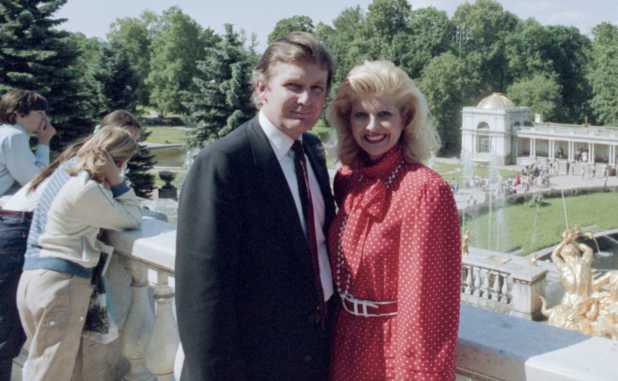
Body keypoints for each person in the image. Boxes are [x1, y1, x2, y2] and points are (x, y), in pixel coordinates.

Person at [176, 32, 336, 381]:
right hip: (253, 365)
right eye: (293, 86)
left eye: (317, 88)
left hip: (313, 357)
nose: (306, 99)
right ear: (262, 88)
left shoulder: (311, 150)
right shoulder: (223, 163)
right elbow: (202, 297)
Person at [325, 60, 461, 381]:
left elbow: (428, 306)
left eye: (384, 114)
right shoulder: (348, 178)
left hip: (388, 350)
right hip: (343, 340)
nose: (372, 127)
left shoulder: (425, 190)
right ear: (348, 121)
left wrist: (414, 373)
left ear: (406, 118)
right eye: (361, 115)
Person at [0, 111, 141, 380]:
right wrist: (116, 180)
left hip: (33, 279)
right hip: (61, 285)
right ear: (119, 162)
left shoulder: (65, 173)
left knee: (38, 368)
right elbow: (132, 217)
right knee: (50, 374)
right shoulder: (86, 188)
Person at [0, 90, 56, 198]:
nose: (45, 118)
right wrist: (44, 142)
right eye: (40, 112)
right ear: (20, 115)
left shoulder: (5, 132)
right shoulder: (14, 136)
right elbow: (35, 180)